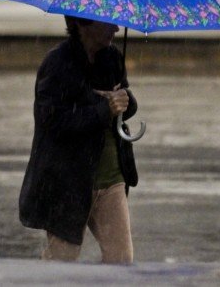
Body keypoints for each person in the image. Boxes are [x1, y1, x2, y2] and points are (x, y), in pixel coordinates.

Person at [19, 16, 139, 263]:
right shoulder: (58, 64)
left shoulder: (112, 57)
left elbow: (123, 105)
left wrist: (125, 101)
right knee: (61, 261)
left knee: (121, 260)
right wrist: (104, 109)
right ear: (83, 23)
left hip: (110, 178)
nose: (116, 28)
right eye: (108, 23)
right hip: (67, 181)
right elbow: (53, 123)